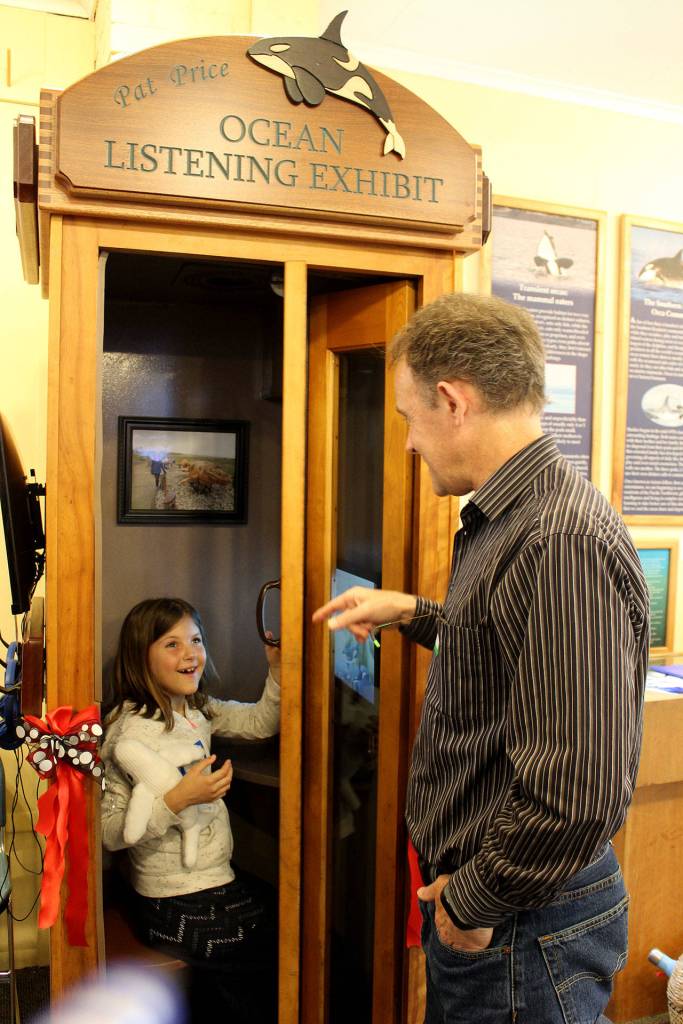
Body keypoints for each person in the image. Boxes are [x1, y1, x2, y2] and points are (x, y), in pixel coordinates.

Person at [313, 292, 649, 1024]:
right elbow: (507, 653)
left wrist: (469, 902)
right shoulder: (513, 521)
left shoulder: (557, 540)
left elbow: (576, 788)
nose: (407, 442)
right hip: (505, 912)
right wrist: (413, 613)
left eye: (409, 417)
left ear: (451, 399)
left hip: (520, 923)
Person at [101, 597, 281, 1023]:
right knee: (267, 950)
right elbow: (108, 833)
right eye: (172, 644)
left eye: (196, 640)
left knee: (289, 916)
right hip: (169, 899)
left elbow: (259, 722)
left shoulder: (198, 710)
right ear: (138, 657)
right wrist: (179, 798)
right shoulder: (126, 733)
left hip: (214, 879)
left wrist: (277, 668)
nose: (190, 654)